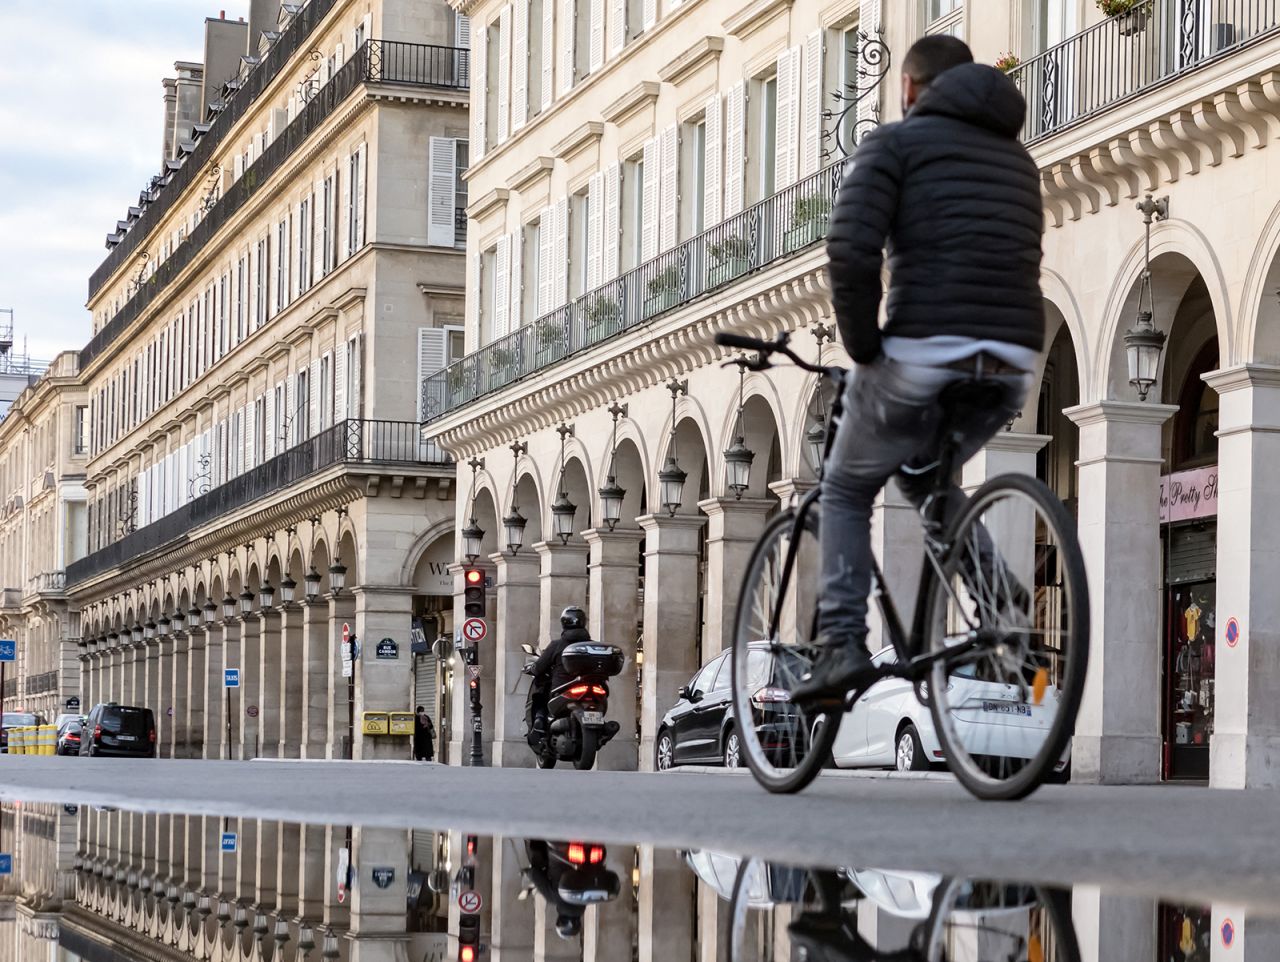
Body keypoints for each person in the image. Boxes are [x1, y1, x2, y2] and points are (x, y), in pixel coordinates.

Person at [792, 35, 1043, 702]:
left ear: (909, 87)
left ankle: (841, 644)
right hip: (1013, 357)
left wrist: (863, 346)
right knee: (933, 487)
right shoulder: (1018, 161)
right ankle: (1003, 609)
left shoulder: (894, 145)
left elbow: (850, 251)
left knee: (844, 488)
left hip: (927, 346)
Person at [525, 606, 591, 733]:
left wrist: (532, 669)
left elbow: (539, 668)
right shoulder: (591, 645)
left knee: (540, 694)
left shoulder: (556, 645)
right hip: (588, 689)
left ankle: (540, 723)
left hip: (561, 689)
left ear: (564, 623)